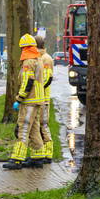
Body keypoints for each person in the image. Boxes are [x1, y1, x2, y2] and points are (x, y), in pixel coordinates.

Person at [3, 34, 47, 170]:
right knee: (34, 130)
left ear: (24, 48)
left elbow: (28, 82)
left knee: (23, 128)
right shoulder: (38, 59)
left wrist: (19, 98)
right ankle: (38, 157)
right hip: (38, 100)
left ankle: (17, 159)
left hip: (29, 102)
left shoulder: (28, 62)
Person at [35, 34, 55, 163]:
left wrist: (36, 90)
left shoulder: (45, 59)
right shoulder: (39, 57)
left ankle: (48, 153)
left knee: (43, 125)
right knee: (39, 126)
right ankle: (43, 151)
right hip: (39, 98)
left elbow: (47, 79)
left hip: (43, 99)